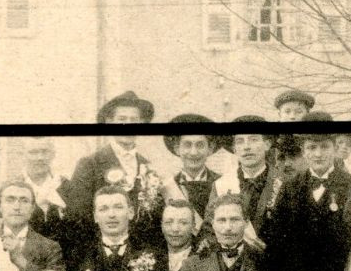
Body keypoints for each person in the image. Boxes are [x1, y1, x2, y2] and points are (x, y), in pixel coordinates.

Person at [265, 127, 351, 271]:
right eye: (311, 147)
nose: (318, 154)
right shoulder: (290, 187)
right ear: (304, 151)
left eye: (324, 147)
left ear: (335, 148)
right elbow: (276, 237)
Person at [65, 92, 166, 244]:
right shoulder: (90, 164)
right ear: (109, 122)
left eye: (134, 120)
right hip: (100, 253)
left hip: (141, 255)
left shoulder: (148, 167)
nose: (128, 125)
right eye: (122, 119)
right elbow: (78, 218)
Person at [164, 118, 225, 228]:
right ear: (177, 149)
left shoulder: (223, 183)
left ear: (210, 149)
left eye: (200, 145)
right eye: (187, 145)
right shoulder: (166, 188)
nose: (193, 152)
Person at [16, 137, 74, 239]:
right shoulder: (13, 188)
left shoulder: (67, 187)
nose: (40, 158)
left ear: (53, 154)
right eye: (33, 152)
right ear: (23, 155)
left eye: (45, 152)